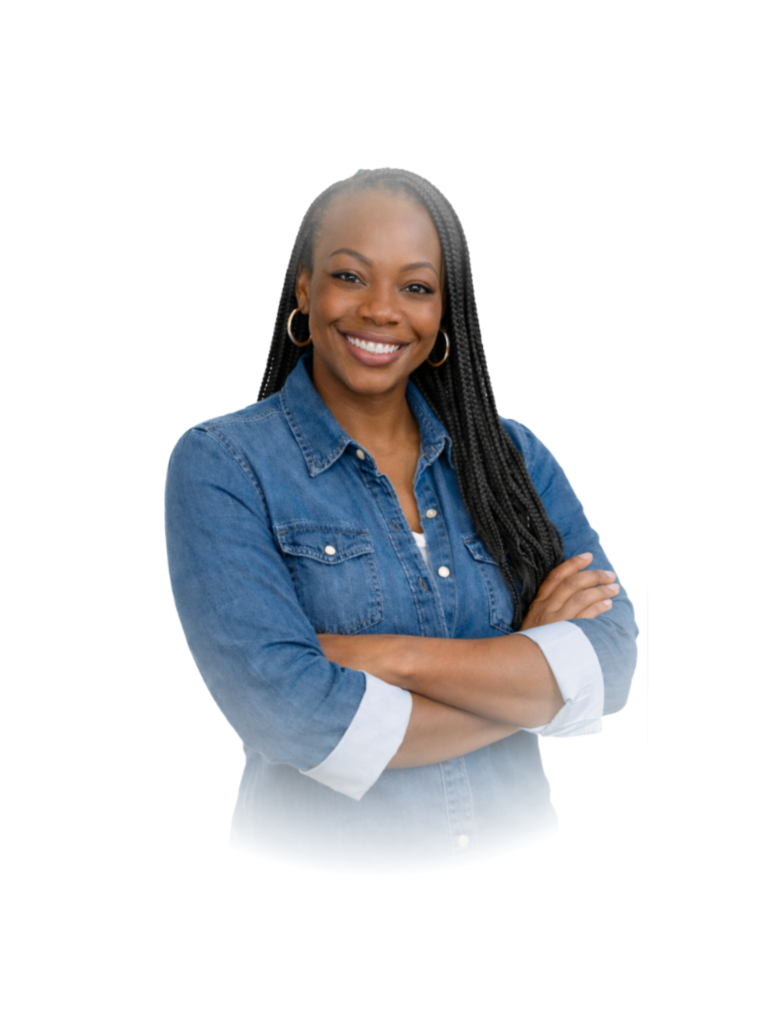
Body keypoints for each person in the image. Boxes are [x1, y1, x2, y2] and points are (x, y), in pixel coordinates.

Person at [163, 167, 639, 874]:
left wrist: (391, 657)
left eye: (416, 288)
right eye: (350, 276)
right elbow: (293, 717)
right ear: (304, 288)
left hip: (521, 846)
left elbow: (615, 662)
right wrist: (532, 673)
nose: (381, 310)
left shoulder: (512, 455)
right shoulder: (223, 462)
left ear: (445, 311)